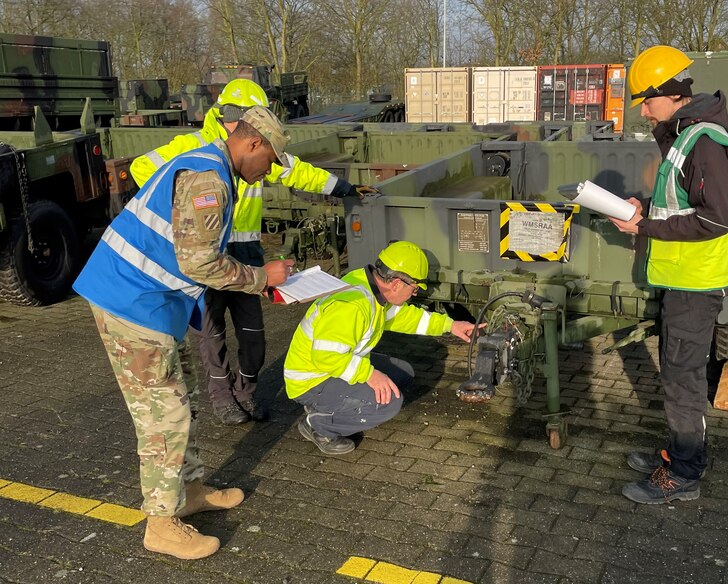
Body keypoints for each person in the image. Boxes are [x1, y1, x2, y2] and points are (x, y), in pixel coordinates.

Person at [74, 106, 293, 559]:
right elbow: (199, 263)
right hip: (131, 303)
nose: (267, 172)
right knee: (163, 415)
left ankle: (188, 492)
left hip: (152, 303)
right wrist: (261, 278)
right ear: (252, 144)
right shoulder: (209, 180)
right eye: (269, 161)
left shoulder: (209, 165)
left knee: (184, 396)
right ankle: (160, 522)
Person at [131, 79, 373, 426]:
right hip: (206, 254)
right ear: (230, 116)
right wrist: (183, 217)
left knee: (252, 334)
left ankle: (246, 392)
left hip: (246, 252)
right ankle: (223, 399)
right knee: (211, 335)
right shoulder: (194, 147)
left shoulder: (258, 148)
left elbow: (298, 172)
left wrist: (345, 188)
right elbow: (142, 168)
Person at [610, 45, 728, 504]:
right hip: (683, 281)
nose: (643, 110)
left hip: (696, 283)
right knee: (677, 373)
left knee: (681, 379)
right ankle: (682, 454)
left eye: (647, 99)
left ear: (672, 93)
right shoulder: (686, 135)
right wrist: (645, 209)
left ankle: (684, 472)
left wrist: (643, 226)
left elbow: (716, 219)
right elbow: (683, 202)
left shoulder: (703, 141)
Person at [283, 241, 481, 454]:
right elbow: (325, 356)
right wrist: (369, 374)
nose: (413, 294)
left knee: (402, 374)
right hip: (311, 379)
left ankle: (328, 406)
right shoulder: (352, 306)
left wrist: (450, 325)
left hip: (331, 366)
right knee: (390, 403)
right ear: (396, 283)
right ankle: (319, 426)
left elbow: (403, 318)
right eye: (414, 288)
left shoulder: (371, 288)